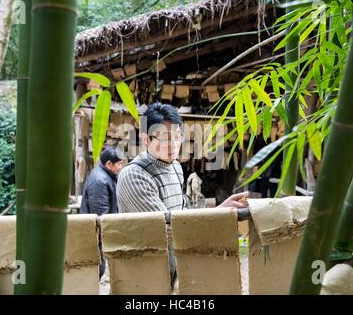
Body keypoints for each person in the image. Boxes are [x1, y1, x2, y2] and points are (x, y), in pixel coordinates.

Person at [116, 102, 248, 287]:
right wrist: (218, 217)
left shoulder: (176, 167)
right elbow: (166, 230)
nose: (174, 145)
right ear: (146, 139)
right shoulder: (134, 175)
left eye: (178, 137)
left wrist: (220, 210)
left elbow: (183, 213)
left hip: (171, 269)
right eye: (165, 139)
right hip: (144, 273)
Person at [80, 146, 124, 279]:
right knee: (98, 270)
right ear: (109, 164)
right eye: (119, 164)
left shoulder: (107, 175)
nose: (121, 167)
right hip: (95, 235)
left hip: (99, 234)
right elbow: (101, 216)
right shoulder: (100, 181)